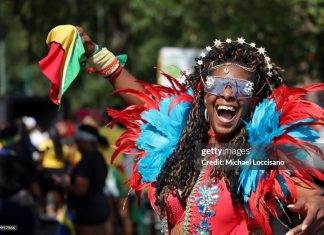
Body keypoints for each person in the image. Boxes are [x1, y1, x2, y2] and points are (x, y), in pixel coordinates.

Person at [41, 26, 324, 235]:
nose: (227, 94)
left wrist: (313, 197)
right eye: (216, 85)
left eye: (241, 88)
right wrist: (94, 53)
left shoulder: (255, 154)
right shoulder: (184, 143)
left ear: (253, 102)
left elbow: (289, 178)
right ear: (203, 94)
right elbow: (144, 100)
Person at [54, 124, 110, 235]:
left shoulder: (87, 161)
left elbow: (80, 190)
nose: (77, 145)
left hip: (88, 210)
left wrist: (64, 184)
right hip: (99, 206)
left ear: (85, 141)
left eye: (78, 141)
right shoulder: (99, 157)